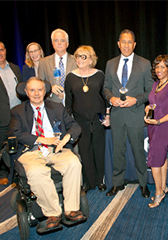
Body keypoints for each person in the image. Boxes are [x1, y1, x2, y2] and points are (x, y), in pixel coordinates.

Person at [8, 77, 86, 230]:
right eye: (32, 90)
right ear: (26, 92)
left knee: (73, 163)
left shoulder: (57, 107)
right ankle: (53, 213)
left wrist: (66, 139)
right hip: (31, 150)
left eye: (40, 89)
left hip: (56, 148)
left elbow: (74, 126)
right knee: (37, 171)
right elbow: (15, 133)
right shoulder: (17, 111)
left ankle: (71, 209)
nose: (36, 93)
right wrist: (42, 139)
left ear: (45, 91)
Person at [104, 29, 154, 198]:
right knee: (117, 151)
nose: (126, 45)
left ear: (134, 44)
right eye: (123, 42)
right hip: (117, 114)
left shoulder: (145, 63)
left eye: (129, 42)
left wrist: (136, 100)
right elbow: (106, 88)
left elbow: (150, 91)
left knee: (139, 152)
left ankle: (143, 184)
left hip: (135, 114)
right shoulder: (110, 63)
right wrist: (111, 99)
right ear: (118, 44)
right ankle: (117, 183)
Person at [65, 45, 109, 193]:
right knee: (84, 151)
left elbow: (106, 98)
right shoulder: (70, 77)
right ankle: (88, 182)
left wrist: (108, 116)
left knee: (99, 150)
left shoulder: (100, 75)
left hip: (99, 119)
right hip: (79, 121)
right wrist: (69, 123)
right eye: (78, 56)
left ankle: (100, 180)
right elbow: (68, 102)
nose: (80, 59)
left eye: (84, 56)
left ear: (91, 59)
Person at [144, 55, 168, 208]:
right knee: (162, 158)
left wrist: (158, 121)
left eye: (163, 67)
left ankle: (159, 193)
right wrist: (148, 108)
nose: (159, 69)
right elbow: (154, 103)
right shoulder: (155, 85)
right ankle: (163, 186)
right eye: (157, 66)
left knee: (155, 160)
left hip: (164, 127)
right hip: (152, 125)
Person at [0, 40, 21, 185]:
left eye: (1, 50)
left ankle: (16, 171)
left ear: (5, 50)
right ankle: (1, 173)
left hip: (16, 116)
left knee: (16, 146)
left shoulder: (14, 68)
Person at [38, 28, 77, 104]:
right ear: (52, 44)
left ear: (67, 44)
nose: (59, 43)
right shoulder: (43, 62)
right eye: (56, 40)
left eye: (62, 40)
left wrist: (67, 93)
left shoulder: (76, 60)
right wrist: (50, 88)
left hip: (73, 104)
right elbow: (40, 85)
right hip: (52, 104)